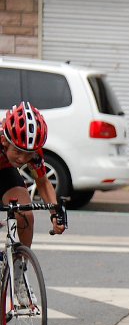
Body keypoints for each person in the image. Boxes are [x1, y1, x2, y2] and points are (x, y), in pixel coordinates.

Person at [0, 102, 67, 248]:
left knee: (25, 215)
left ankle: (21, 259)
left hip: (5, 172)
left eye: (28, 153)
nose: (22, 159)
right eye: (18, 151)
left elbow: (43, 183)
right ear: (5, 141)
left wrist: (55, 214)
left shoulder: (34, 154)